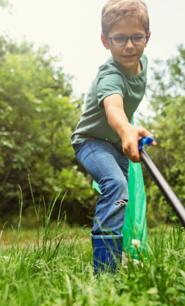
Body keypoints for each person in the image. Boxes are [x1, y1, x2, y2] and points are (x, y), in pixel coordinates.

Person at [71, 0, 155, 273]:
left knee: (123, 198)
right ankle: (105, 274)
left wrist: (128, 131)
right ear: (105, 41)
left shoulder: (141, 61)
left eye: (136, 37)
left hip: (117, 145)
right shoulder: (109, 74)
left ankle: (120, 258)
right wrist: (126, 128)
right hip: (92, 142)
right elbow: (113, 108)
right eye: (119, 38)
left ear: (147, 38)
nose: (129, 46)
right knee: (117, 186)